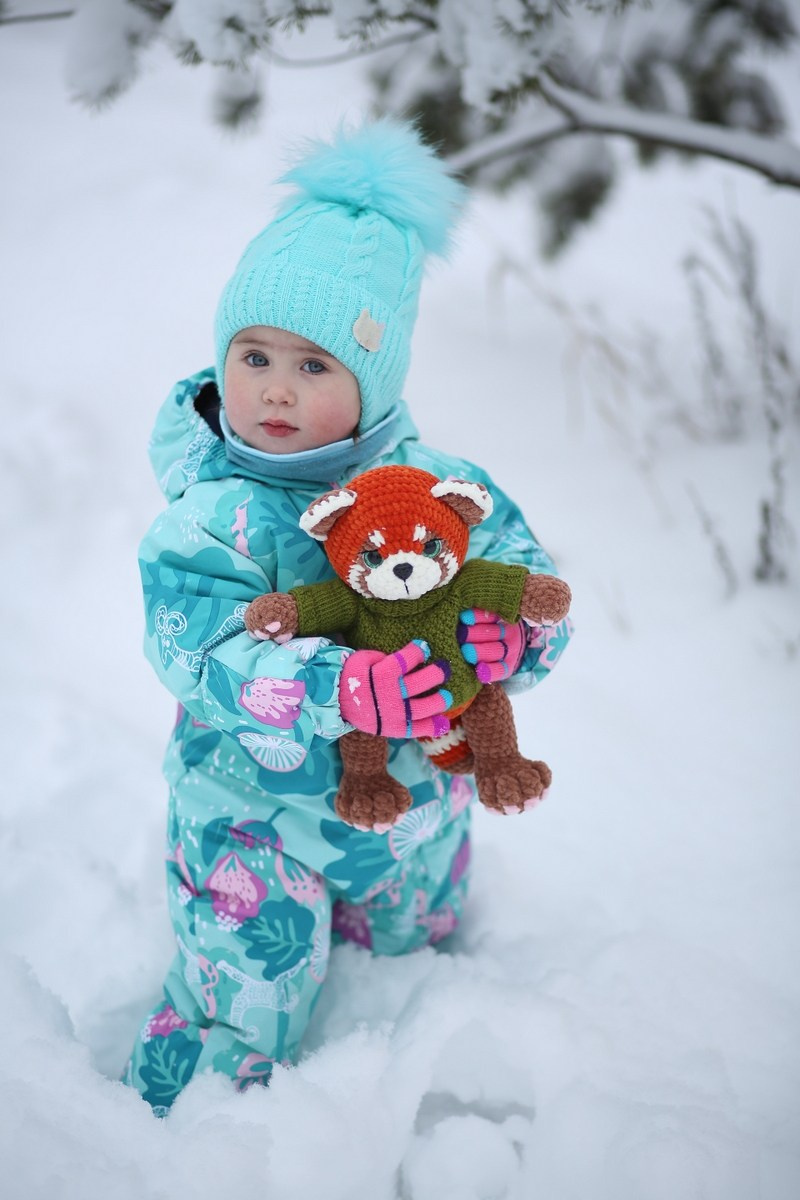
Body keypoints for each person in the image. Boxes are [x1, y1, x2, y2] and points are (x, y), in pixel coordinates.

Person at [124, 120, 572, 1114]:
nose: (276, 387)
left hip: (413, 807)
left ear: (374, 381)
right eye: (254, 355)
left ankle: (412, 1064)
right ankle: (187, 1128)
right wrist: (333, 682)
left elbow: (519, 571)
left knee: (415, 962)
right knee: (246, 981)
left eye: (315, 366)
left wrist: (518, 638)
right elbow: (200, 650)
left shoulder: (440, 488)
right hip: (251, 812)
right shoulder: (209, 522)